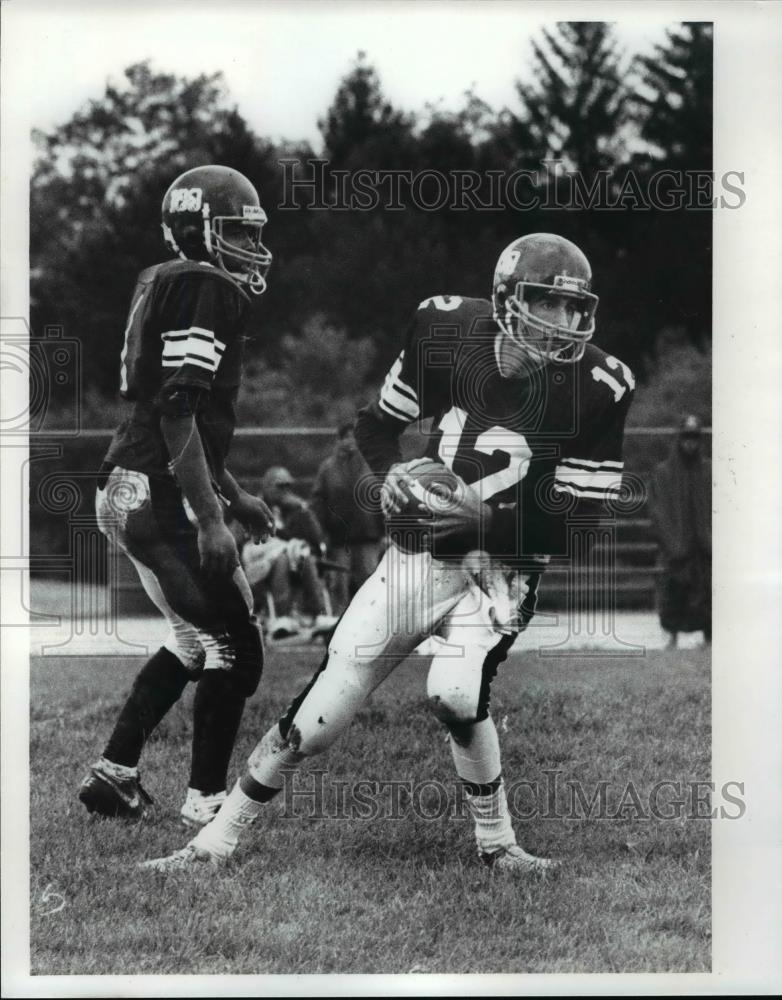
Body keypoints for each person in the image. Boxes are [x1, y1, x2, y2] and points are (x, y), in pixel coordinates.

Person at [143, 232, 635, 873]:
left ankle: (498, 843)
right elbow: (376, 427)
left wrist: (487, 520)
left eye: (574, 309)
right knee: (321, 716)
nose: (562, 323)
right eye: (547, 303)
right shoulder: (444, 329)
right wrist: (392, 480)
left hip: (503, 565)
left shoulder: (603, 383)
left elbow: (583, 524)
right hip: (419, 555)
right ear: (506, 299)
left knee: (457, 692)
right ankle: (214, 841)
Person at [78, 165, 276, 829]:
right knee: (237, 650)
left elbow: (181, 415)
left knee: (193, 644)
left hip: (126, 485)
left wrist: (237, 493)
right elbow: (176, 410)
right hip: (157, 493)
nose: (253, 247)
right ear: (204, 232)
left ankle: (116, 772)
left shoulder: (163, 277)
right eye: (240, 232)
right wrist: (212, 517)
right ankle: (207, 805)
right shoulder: (205, 284)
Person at [239, 467, 337, 640]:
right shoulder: (254, 506)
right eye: (280, 486)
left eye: (287, 487)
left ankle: (319, 614)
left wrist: (304, 510)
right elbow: (243, 538)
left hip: (294, 563)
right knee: (283, 557)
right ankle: (282, 617)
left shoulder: (295, 509)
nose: (285, 491)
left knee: (306, 556)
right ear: (267, 487)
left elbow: (314, 538)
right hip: (260, 563)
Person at [649, 414, 712, 647]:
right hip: (674, 548)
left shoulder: (709, 471)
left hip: (704, 549)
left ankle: (709, 637)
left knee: (706, 593)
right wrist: (672, 544)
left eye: (695, 437)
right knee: (673, 592)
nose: (690, 442)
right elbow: (657, 511)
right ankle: (672, 637)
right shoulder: (663, 473)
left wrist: (710, 541)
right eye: (686, 437)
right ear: (679, 438)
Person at [310, 421, 384, 614]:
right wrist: (320, 532)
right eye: (346, 437)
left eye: (355, 436)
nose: (350, 441)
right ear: (339, 440)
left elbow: (385, 498)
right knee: (338, 583)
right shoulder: (327, 468)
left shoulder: (373, 464)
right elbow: (318, 501)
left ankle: (370, 618)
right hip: (338, 539)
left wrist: (386, 531)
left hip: (369, 535)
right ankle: (338, 623)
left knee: (369, 581)